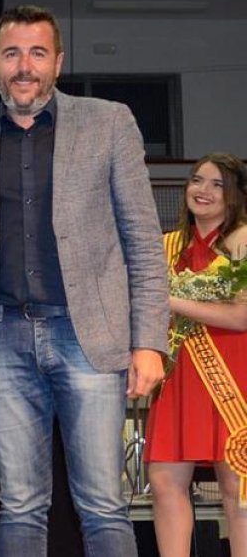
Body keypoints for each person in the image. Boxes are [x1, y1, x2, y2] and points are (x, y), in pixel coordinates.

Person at [0, 4, 170, 556]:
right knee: (18, 504)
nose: (24, 66)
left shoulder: (110, 123)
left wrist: (149, 340)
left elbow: (142, 242)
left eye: (37, 53)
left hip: (90, 341)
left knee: (104, 504)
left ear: (59, 62)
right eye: (12, 53)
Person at [145, 153, 247, 556]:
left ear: (235, 194)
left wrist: (166, 299)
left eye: (217, 184)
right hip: (177, 373)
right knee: (165, 480)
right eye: (196, 181)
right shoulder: (166, 247)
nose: (202, 191)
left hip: (233, 374)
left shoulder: (243, 241)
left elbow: (241, 317)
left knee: (235, 484)